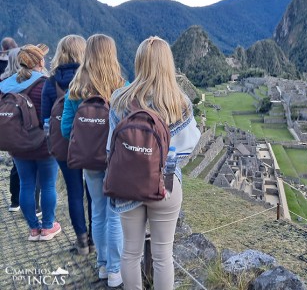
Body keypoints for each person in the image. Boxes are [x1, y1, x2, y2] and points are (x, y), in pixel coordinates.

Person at [108, 36, 201, 290]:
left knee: (130, 253)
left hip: (128, 185)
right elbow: (189, 145)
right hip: (165, 185)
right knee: (163, 256)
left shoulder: (119, 100)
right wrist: (165, 164)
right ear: (167, 64)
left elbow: (110, 149)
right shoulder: (179, 103)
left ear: (139, 62)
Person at [61, 34, 125, 287]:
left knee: (97, 211)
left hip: (90, 162)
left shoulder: (75, 89)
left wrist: (87, 140)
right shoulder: (121, 87)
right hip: (115, 160)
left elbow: (66, 129)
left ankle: (101, 265)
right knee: (115, 213)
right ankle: (115, 271)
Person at [0, 44, 61, 241]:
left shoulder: (5, 85)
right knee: (48, 185)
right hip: (44, 143)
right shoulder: (47, 84)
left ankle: (34, 229)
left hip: (18, 144)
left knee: (26, 184)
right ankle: (48, 227)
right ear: (41, 62)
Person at [41, 34, 94, 255]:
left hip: (64, 145)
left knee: (74, 192)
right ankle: (95, 239)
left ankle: (81, 243)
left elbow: (44, 118)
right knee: (92, 191)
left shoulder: (51, 82)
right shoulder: (91, 79)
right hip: (91, 144)